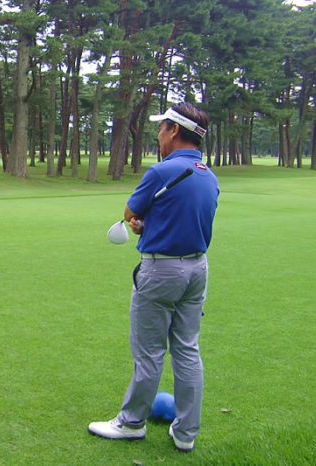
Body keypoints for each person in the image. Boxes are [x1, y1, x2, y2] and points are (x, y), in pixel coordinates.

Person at [88, 102, 219, 452]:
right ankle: (186, 433)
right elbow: (185, 220)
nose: (157, 135)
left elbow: (130, 212)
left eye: (161, 129)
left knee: (149, 353)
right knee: (188, 350)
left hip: (162, 270)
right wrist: (151, 226)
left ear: (174, 131)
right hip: (197, 268)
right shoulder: (208, 173)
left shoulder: (160, 171)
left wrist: (139, 223)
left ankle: (131, 423)